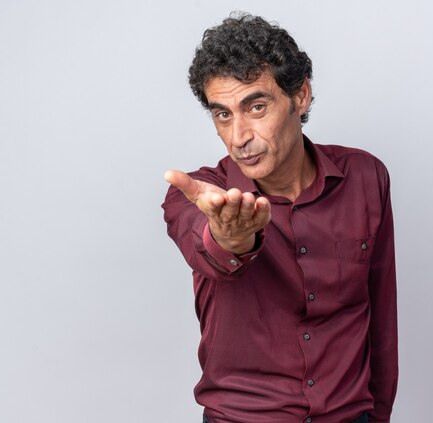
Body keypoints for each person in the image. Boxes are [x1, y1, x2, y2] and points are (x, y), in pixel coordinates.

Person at [162, 13, 397, 423]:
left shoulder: (366, 177)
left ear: (300, 96)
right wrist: (231, 237)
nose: (239, 137)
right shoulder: (199, 197)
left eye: (256, 107)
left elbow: (381, 320)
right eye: (222, 114)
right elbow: (207, 245)